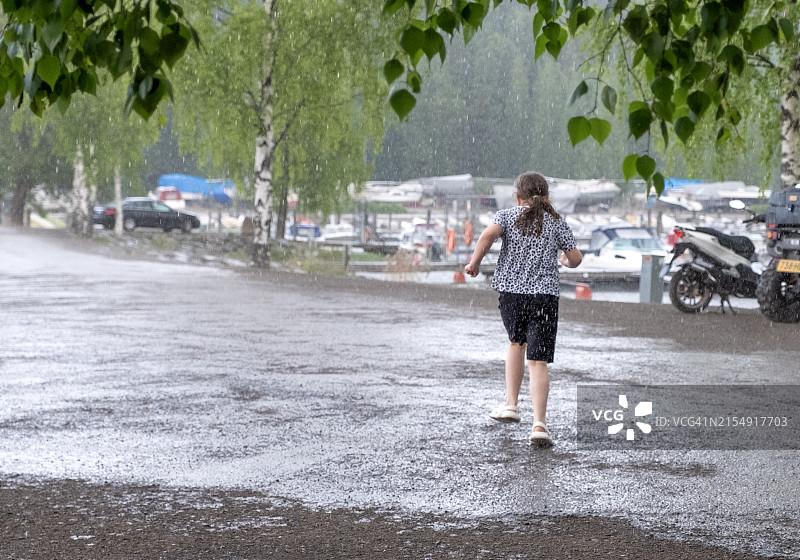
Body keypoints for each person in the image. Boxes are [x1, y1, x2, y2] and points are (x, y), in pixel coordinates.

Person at [464, 172, 582, 447]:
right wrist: (564, 260)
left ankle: (511, 404)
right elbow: (575, 257)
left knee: (516, 344)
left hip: (513, 295)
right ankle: (539, 425)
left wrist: (475, 262)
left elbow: (488, 235)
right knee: (538, 361)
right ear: (546, 196)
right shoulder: (556, 222)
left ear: (518, 197)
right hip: (544, 297)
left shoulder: (507, 216)